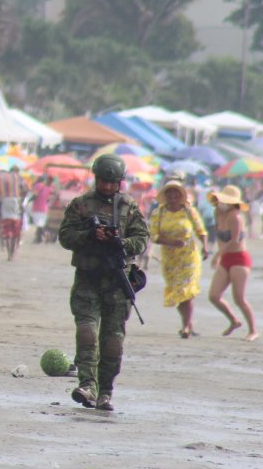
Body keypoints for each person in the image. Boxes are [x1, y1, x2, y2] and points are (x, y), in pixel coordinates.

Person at [58, 154, 149, 411]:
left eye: (112, 182)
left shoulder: (129, 208)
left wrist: (121, 242)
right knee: (86, 333)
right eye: (103, 181)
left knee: (112, 341)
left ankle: (106, 390)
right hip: (88, 278)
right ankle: (87, 384)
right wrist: (90, 235)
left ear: (119, 182)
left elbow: (142, 238)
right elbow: (65, 236)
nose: (108, 187)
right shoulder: (81, 205)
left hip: (117, 284)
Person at [150, 179, 206, 339]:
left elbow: (200, 229)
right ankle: (188, 323)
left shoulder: (189, 211)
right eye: (169, 192)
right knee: (178, 292)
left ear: (181, 195)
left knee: (186, 291)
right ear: (165, 195)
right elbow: (153, 235)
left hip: (189, 256)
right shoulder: (159, 213)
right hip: (170, 259)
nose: (173, 195)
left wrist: (206, 247)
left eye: (176, 192)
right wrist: (170, 242)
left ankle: (186, 326)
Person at [206, 185, 258, 341]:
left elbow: (234, 239)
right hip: (225, 258)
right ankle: (234, 321)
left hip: (239, 259)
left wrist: (217, 255)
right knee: (214, 295)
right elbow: (218, 236)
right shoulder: (217, 213)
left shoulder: (236, 216)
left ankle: (253, 330)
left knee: (239, 298)